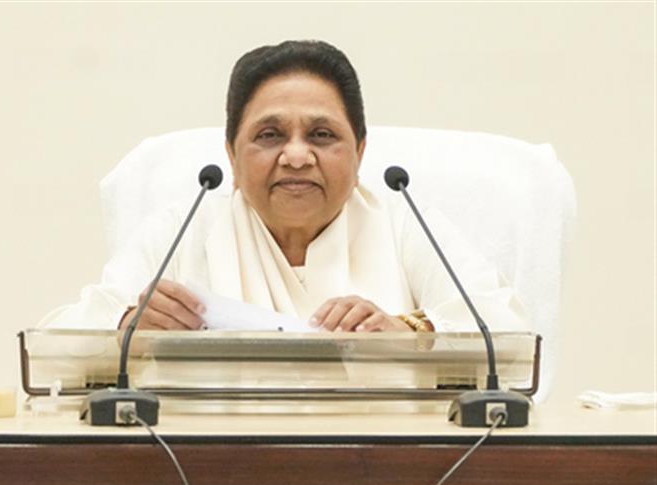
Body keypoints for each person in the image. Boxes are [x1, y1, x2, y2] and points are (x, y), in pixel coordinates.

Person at [43, 40, 529, 334]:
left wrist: (408, 332)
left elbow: (510, 332)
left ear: (359, 153)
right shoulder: (183, 229)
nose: (296, 156)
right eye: (270, 135)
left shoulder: (401, 224)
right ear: (232, 156)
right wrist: (128, 326)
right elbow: (57, 339)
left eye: (322, 135)